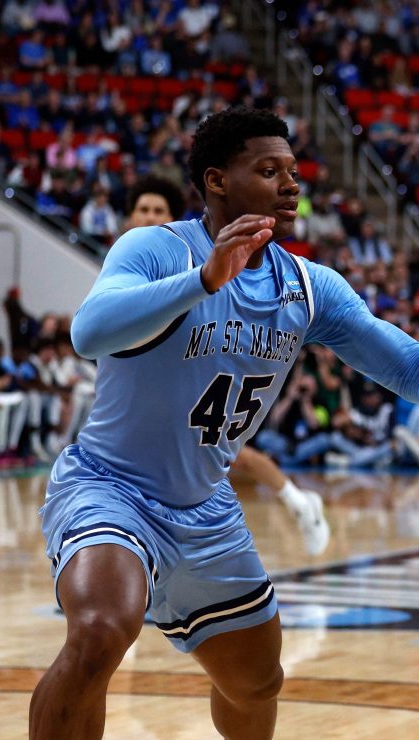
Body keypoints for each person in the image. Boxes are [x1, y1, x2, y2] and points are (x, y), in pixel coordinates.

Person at [0, 108, 419, 740]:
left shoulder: (310, 286)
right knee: (103, 627)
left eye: (293, 170)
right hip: (110, 485)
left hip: (206, 508)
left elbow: (414, 368)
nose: (292, 184)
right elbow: (88, 331)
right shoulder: (157, 249)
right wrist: (202, 281)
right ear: (218, 181)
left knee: (257, 681)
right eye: (270, 170)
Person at [121, 171, 331, 554]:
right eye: (143, 210)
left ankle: (298, 503)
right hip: (154, 388)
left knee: (220, 454)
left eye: (158, 210)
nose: (150, 217)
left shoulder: (198, 258)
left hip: (212, 370)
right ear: (130, 218)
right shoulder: (127, 263)